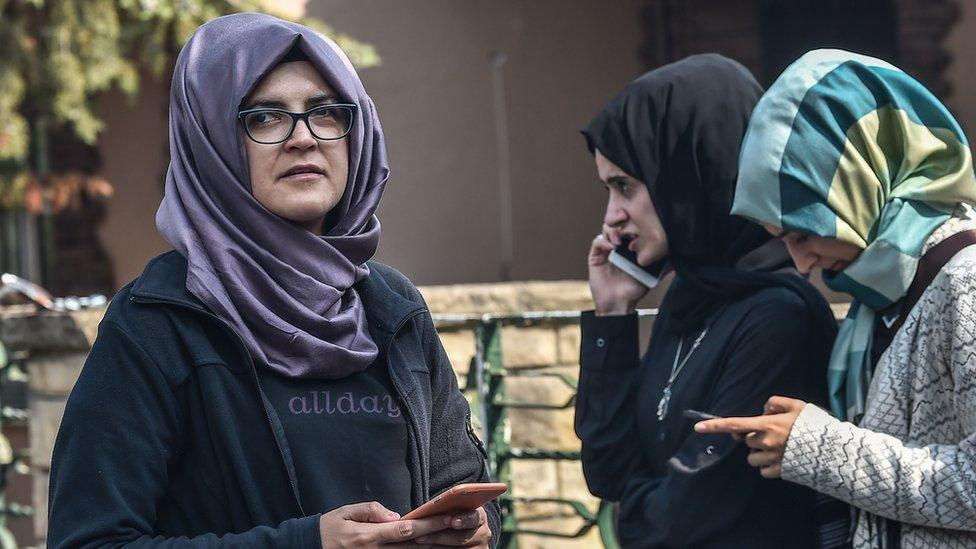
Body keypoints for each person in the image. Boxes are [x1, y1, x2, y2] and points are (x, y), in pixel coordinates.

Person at [47, 13, 498, 548]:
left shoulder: (392, 307)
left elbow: (463, 489)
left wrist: (470, 534)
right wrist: (307, 543)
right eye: (264, 117)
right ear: (211, 143)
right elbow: (89, 542)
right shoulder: (158, 322)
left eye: (327, 113)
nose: (303, 138)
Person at [697, 49, 976, 548]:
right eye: (779, 239)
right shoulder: (875, 302)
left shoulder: (967, 280)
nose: (801, 263)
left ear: (861, 185)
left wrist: (818, 449)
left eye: (804, 234)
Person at [575, 54, 838, 548]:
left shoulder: (778, 317)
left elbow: (688, 522)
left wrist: (638, 506)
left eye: (626, 186)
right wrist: (612, 314)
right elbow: (607, 473)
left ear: (689, 174)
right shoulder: (690, 302)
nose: (611, 217)